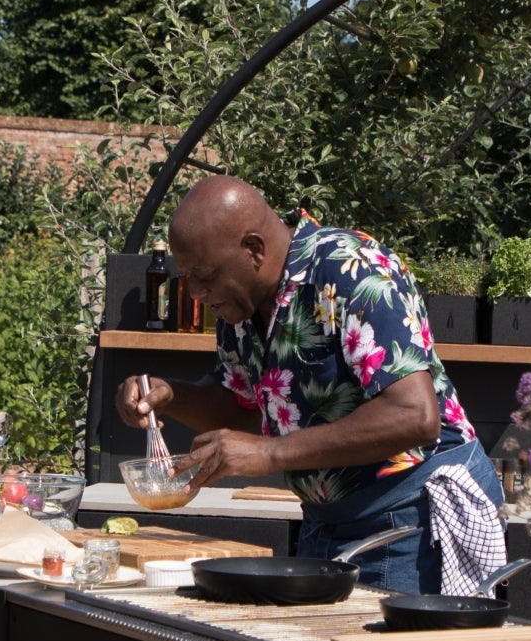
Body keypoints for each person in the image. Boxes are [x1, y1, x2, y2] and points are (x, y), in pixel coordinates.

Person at [116, 175, 505, 595]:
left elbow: (414, 415)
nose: (194, 291)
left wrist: (270, 453)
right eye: (186, 276)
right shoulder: (242, 306)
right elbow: (238, 400)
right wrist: (170, 395)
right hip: (330, 521)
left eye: (204, 274)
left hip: (410, 517)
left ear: (253, 250)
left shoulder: (353, 270)